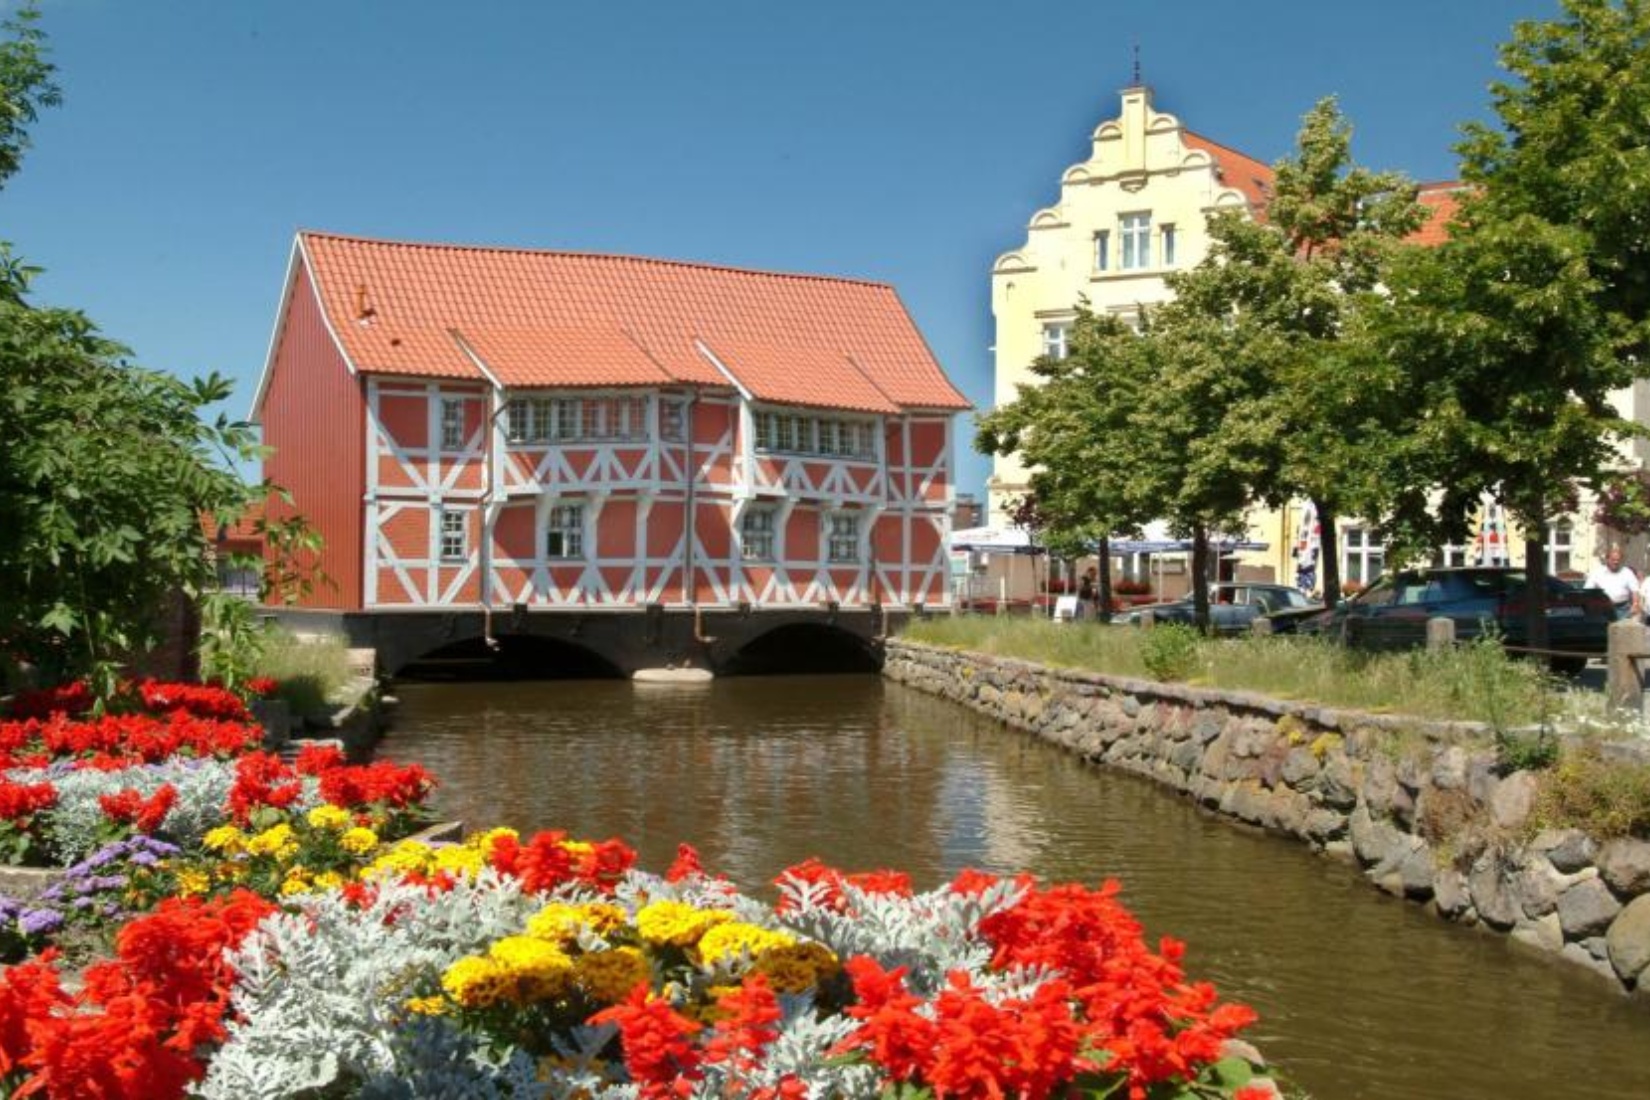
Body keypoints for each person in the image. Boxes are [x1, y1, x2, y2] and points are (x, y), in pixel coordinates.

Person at [1584, 545, 1639, 619]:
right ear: (1607, 559)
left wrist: (1635, 604)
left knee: (1622, 630)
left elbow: (1635, 590)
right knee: (1604, 629)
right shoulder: (1597, 572)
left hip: (1623, 609)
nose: (1616, 562)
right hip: (1603, 608)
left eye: (1618, 560)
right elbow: (1587, 590)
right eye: (1613, 559)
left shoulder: (1627, 572)